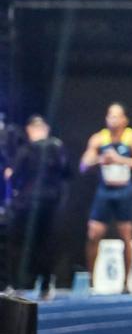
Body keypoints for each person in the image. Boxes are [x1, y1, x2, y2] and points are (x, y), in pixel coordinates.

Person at [80, 102, 132, 292]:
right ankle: (91, 281)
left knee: (126, 235)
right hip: (104, 190)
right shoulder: (99, 138)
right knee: (93, 233)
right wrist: (99, 160)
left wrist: (120, 160)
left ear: (125, 119)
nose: (112, 119)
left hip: (124, 191)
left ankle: (126, 283)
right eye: (109, 115)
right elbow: (83, 165)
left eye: (116, 116)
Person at [8, 115, 71, 297]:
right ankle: (44, 284)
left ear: (30, 130)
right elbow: (67, 173)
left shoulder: (27, 149)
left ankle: (17, 284)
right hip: (50, 203)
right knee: (45, 243)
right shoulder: (58, 148)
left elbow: (14, 176)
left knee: (18, 243)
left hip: (27, 202)